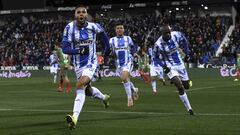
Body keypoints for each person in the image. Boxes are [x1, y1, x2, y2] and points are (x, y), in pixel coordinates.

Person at [61, 5, 111, 129]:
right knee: (87, 91)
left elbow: (107, 43)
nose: (81, 14)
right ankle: (103, 97)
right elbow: (65, 48)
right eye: (79, 12)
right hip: (78, 65)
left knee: (79, 85)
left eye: (84, 12)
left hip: (91, 62)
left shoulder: (94, 27)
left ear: (86, 15)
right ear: (75, 15)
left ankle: (74, 118)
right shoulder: (69, 28)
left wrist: (104, 55)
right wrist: (79, 51)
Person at [153, 24, 194, 115]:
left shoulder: (176, 35)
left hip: (180, 64)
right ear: (162, 34)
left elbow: (184, 41)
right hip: (170, 66)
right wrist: (164, 66)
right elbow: (155, 58)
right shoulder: (158, 44)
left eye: (169, 32)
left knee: (186, 86)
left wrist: (187, 54)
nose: (168, 34)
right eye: (166, 33)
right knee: (179, 86)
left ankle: (175, 80)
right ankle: (189, 109)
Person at [109, 22, 139, 107]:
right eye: (118, 28)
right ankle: (134, 89)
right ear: (115, 30)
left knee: (124, 78)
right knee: (125, 79)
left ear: (124, 29)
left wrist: (134, 53)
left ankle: (129, 99)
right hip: (118, 64)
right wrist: (109, 55)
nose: (119, 29)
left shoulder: (128, 38)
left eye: (121, 28)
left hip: (128, 61)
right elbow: (109, 50)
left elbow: (132, 47)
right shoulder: (112, 40)